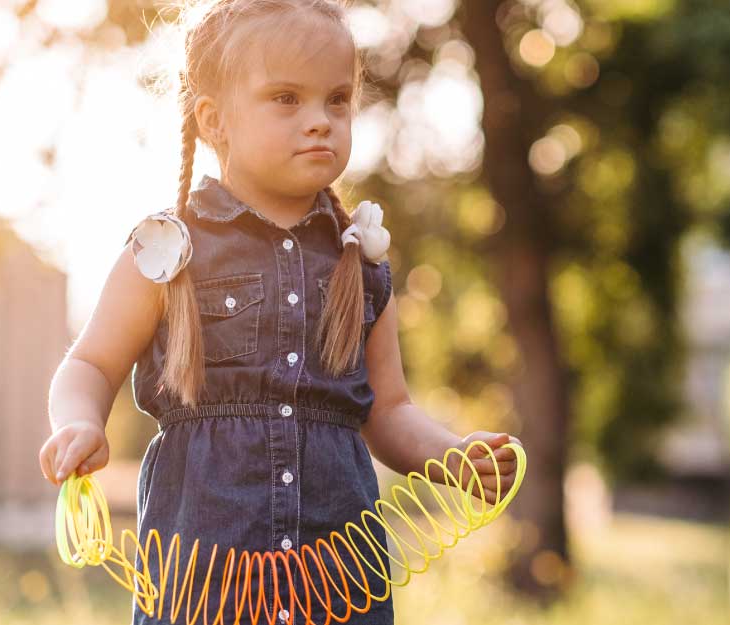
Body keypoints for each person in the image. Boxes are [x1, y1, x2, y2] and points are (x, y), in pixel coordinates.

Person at [36, 1, 523, 623]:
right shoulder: (166, 251)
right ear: (214, 121)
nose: (319, 121)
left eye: (337, 100)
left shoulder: (362, 264)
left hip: (339, 586)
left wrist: (452, 456)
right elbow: (91, 364)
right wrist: (79, 422)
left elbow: (391, 409)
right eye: (286, 99)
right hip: (203, 585)